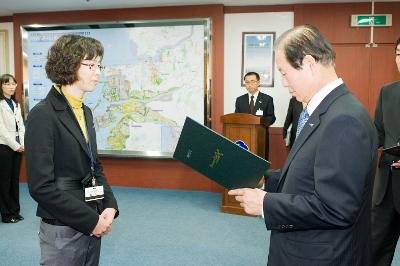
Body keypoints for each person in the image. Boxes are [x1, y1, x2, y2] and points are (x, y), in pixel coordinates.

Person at [229, 24, 378, 266]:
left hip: (322, 256)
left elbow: (336, 208)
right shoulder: (326, 110)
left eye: (285, 73)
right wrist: (266, 180)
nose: (284, 83)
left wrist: (266, 203)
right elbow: (310, 175)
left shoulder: (344, 119)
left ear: (308, 64)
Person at [25, 34, 119, 266]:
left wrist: (108, 204)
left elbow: (93, 165)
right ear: (68, 64)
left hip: (92, 212)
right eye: (90, 65)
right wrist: (90, 221)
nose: (98, 72)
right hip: (63, 226)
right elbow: (41, 187)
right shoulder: (43, 115)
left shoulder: (85, 111)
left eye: (99, 65)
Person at [371, 37, 400, 266]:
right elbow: (378, 133)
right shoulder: (387, 92)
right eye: (399, 54)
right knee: (375, 251)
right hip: (386, 188)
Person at [0, 74, 25, 223]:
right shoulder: (1, 104)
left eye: (13, 84)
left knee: (14, 180)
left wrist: (22, 143)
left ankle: (15, 211)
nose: (11, 86)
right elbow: (1, 129)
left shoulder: (16, 104)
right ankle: (6, 214)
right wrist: (15, 146)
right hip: (4, 146)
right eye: (7, 84)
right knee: (4, 181)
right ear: (1, 86)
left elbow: (21, 125)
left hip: (18, 147)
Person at [235, 72, 276, 159]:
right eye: (247, 82)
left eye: (252, 81)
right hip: (244, 137)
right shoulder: (240, 100)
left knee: (260, 161)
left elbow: (271, 117)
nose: (250, 84)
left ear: (258, 83)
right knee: (245, 160)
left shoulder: (267, 99)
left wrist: (261, 123)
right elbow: (237, 118)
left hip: (261, 137)